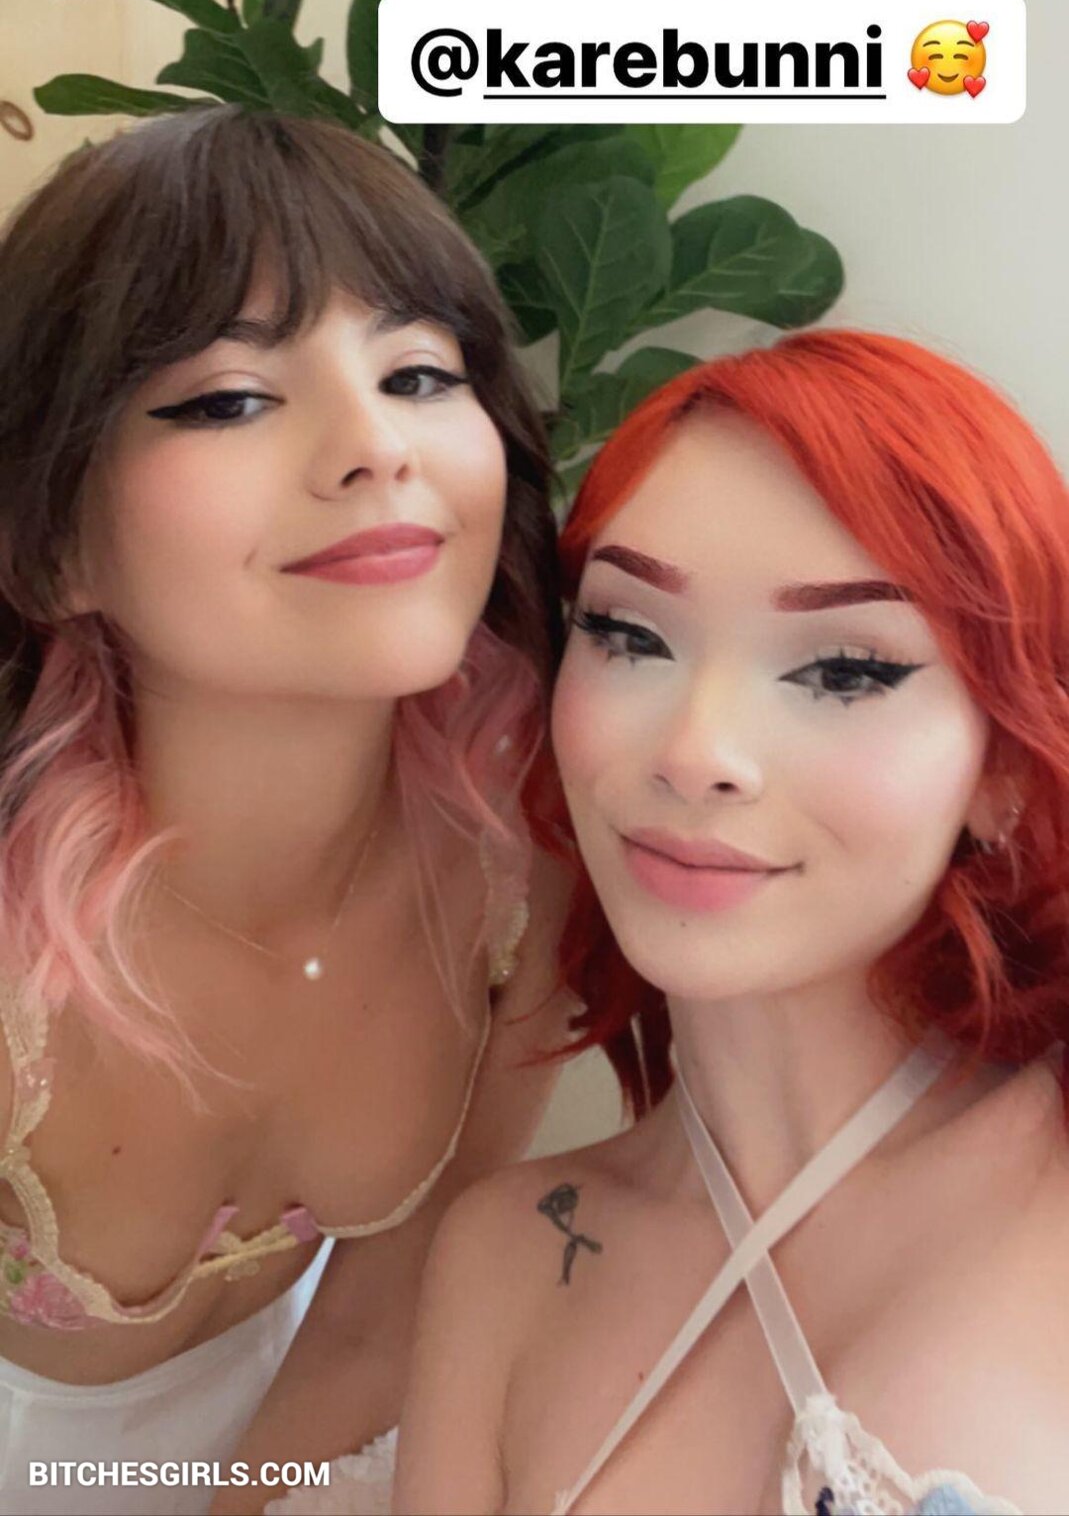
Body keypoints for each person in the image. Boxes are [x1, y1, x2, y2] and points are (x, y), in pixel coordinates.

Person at [0, 107, 573, 1515]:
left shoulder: (529, 865)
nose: (375, 445)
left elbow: (382, 1312)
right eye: (228, 398)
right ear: (51, 541)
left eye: (420, 372)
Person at [395, 330, 1069, 1516]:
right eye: (630, 633)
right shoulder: (505, 1259)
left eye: (844, 669)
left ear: (1004, 765)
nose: (696, 750)